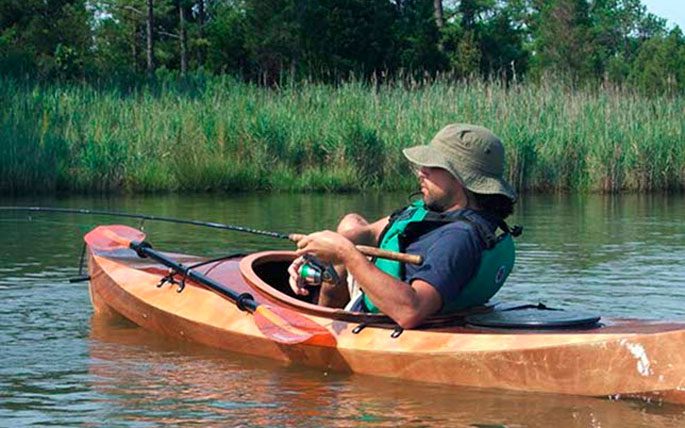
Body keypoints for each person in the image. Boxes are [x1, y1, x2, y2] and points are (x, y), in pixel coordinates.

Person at [288, 123, 520, 329]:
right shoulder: (447, 213)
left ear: (461, 177)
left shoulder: (458, 238)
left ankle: (320, 332)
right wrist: (317, 254)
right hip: (419, 296)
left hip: (399, 308)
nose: (421, 172)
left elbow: (411, 312)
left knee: (344, 252)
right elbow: (372, 234)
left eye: (433, 166)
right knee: (349, 229)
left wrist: (343, 253)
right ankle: (321, 321)